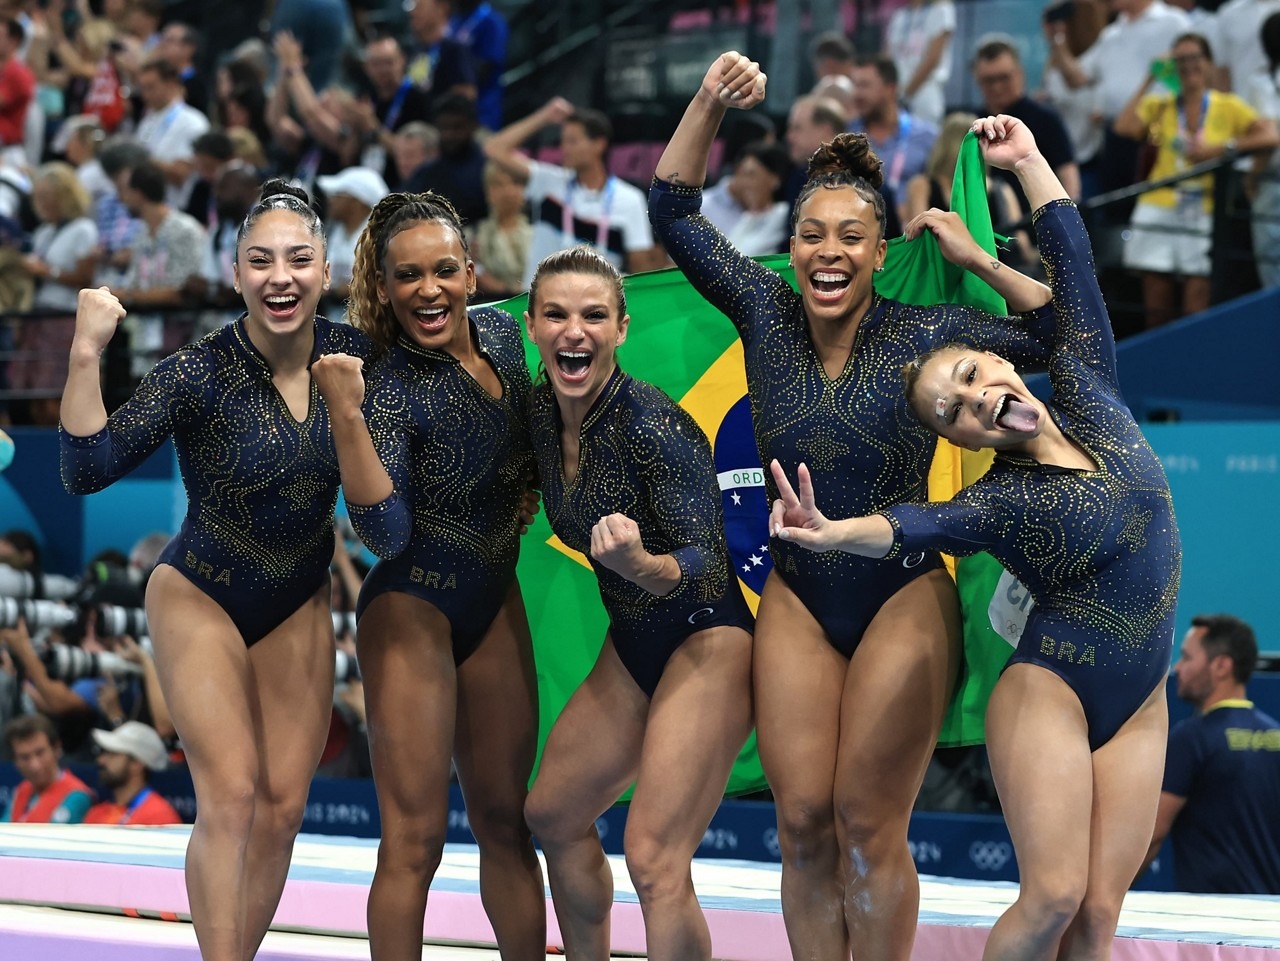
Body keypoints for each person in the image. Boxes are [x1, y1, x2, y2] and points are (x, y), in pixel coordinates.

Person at [650, 54, 1057, 961]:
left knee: (868, 823)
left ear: (880, 252)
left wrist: (977, 257)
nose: (828, 252)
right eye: (811, 235)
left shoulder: (921, 335)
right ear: (789, 247)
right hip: (799, 590)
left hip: (903, 590)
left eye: (850, 237)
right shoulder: (762, 311)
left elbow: (1057, 331)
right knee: (800, 823)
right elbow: (673, 209)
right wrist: (710, 99)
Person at [770, 113, 1181, 960]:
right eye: (951, 416)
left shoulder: (1087, 385)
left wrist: (1022, 169)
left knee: (1100, 913)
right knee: (1053, 897)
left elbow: (1071, 275)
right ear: (961, 444)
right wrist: (836, 529)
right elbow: (915, 524)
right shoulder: (1004, 499)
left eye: (970, 377)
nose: (972, 400)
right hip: (1050, 692)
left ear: (999, 366)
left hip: (1143, 695)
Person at [60, 179, 372, 961]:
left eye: (299, 259)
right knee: (229, 795)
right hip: (199, 592)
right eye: (260, 260)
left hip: (300, 594)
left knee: (282, 806)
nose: (280, 276)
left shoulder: (359, 355)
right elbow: (88, 467)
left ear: (326, 268)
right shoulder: (196, 371)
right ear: (235, 274)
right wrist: (86, 350)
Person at [310, 191, 545, 961]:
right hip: (412, 605)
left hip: (491, 594)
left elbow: (547, 434)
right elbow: (386, 532)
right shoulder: (384, 384)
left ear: (473, 274)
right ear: (383, 288)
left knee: (508, 823)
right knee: (414, 838)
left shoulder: (510, 337)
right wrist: (346, 415)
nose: (428, 289)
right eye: (407, 276)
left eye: (443, 270)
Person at [520, 246, 754, 960]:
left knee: (654, 858)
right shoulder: (533, 409)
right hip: (636, 641)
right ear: (530, 325)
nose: (574, 331)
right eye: (556, 314)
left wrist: (639, 562)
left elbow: (706, 564)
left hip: (707, 637)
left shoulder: (653, 423)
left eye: (594, 315)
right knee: (553, 814)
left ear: (622, 328)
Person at [1113, 31, 1278, 328]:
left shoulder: (1227, 105)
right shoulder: (1162, 104)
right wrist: (1151, 78)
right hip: (1158, 203)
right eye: (1179, 60)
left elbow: (1269, 135)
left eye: (1194, 58)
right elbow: (1124, 127)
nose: (1187, 65)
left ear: (1209, 63)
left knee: (1196, 304)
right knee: (1156, 305)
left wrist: (1221, 149)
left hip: (1202, 208)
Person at [1140, 615, 1280, 893]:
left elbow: (1151, 835)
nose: (1178, 668)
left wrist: (1102, 902)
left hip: (1212, 920)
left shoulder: (1191, 738)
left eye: (1186, 657)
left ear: (1221, 666)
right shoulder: (1276, 735)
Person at [484, 97, 664, 286]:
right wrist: (544, 116)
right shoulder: (548, 182)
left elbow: (641, 269)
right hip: (537, 302)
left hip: (594, 306)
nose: (564, 148)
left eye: (572, 141)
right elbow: (494, 149)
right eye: (563, 141)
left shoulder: (630, 198)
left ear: (599, 144)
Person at [971, 35, 1080, 206]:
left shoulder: (1045, 118)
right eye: (989, 80)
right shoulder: (973, 123)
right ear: (977, 79)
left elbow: (1068, 177)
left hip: (1037, 219)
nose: (997, 87)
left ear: (1020, 73)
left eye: (1004, 77)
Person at [84, 720, 182, 825]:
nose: (101, 760)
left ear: (137, 764)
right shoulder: (96, 813)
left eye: (113, 754)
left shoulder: (160, 818)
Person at [1, 712, 93, 823]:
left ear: (56, 749)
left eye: (40, 753)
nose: (35, 765)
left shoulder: (76, 795)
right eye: (25, 757)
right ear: (15, 761)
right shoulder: (20, 791)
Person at [883, 0, 956, 126]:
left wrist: (905, 95)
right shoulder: (899, 15)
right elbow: (888, 55)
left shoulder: (941, 10)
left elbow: (933, 59)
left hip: (925, 91)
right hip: (896, 93)